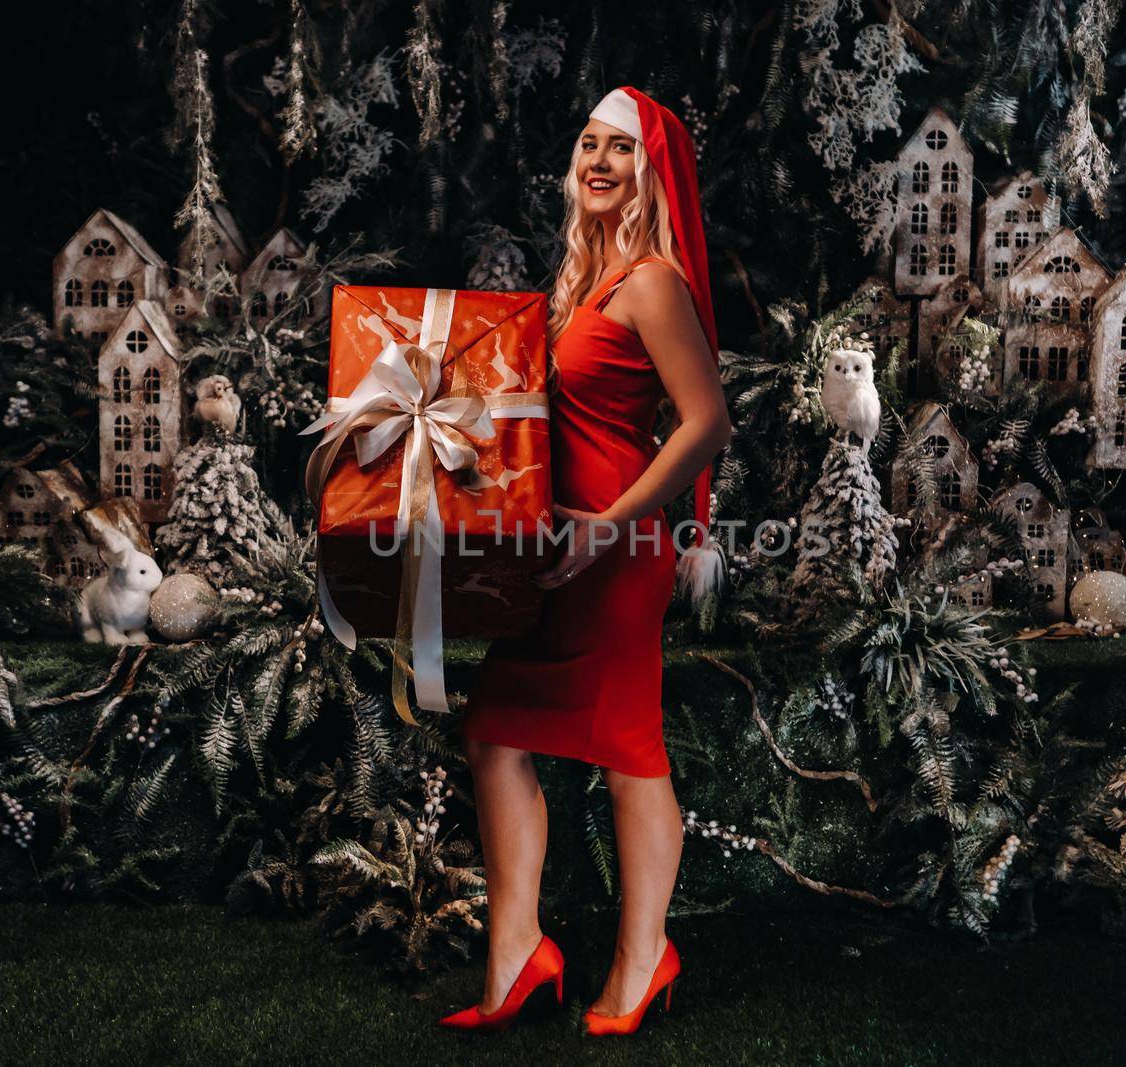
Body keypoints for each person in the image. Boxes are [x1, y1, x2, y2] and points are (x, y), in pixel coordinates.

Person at [437, 86, 730, 1037]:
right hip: (559, 545)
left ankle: (645, 961)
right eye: (587, 145)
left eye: (620, 148)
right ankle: (518, 955)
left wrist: (612, 524)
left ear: (648, 170)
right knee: (495, 728)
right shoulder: (586, 281)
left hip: (619, 545)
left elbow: (705, 424)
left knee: (630, 752)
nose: (598, 161)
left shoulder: (650, 280)